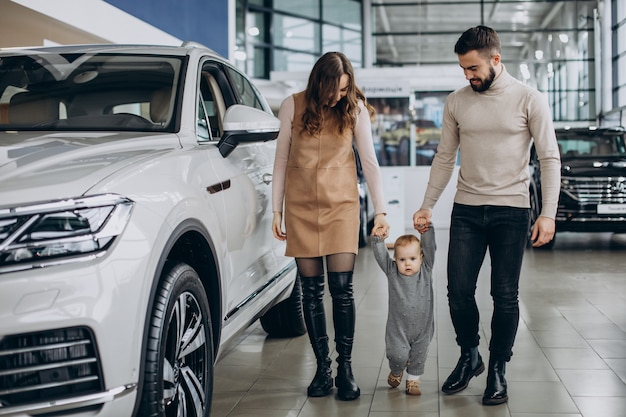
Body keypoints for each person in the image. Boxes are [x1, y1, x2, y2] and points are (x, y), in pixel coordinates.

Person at [412, 26, 561, 405]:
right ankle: (470, 356)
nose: (468, 75)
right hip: (467, 208)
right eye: (463, 69)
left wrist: (549, 214)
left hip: (512, 210)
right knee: (458, 291)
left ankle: (497, 368)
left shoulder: (530, 99)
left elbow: (549, 157)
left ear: (496, 60)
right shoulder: (457, 101)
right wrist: (428, 203)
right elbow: (445, 157)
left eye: (473, 68)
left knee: (504, 294)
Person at [272, 51, 390, 401]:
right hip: (300, 208)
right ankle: (323, 368)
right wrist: (276, 210)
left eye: (344, 89)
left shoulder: (353, 109)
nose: (339, 95)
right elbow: (280, 159)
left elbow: (369, 162)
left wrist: (380, 210)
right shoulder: (292, 106)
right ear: (319, 82)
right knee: (310, 291)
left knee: (342, 289)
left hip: (341, 207)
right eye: (335, 89)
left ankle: (346, 369)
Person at [371, 220, 436, 396]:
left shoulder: (426, 270)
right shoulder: (392, 272)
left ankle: (413, 381)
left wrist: (426, 231)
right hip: (397, 328)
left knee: (419, 355)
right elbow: (381, 256)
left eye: (412, 259)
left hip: (423, 327)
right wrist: (378, 241)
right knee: (397, 355)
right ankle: (396, 371)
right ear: (395, 260)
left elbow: (430, 247)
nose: (407, 263)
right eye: (402, 259)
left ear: (421, 258)